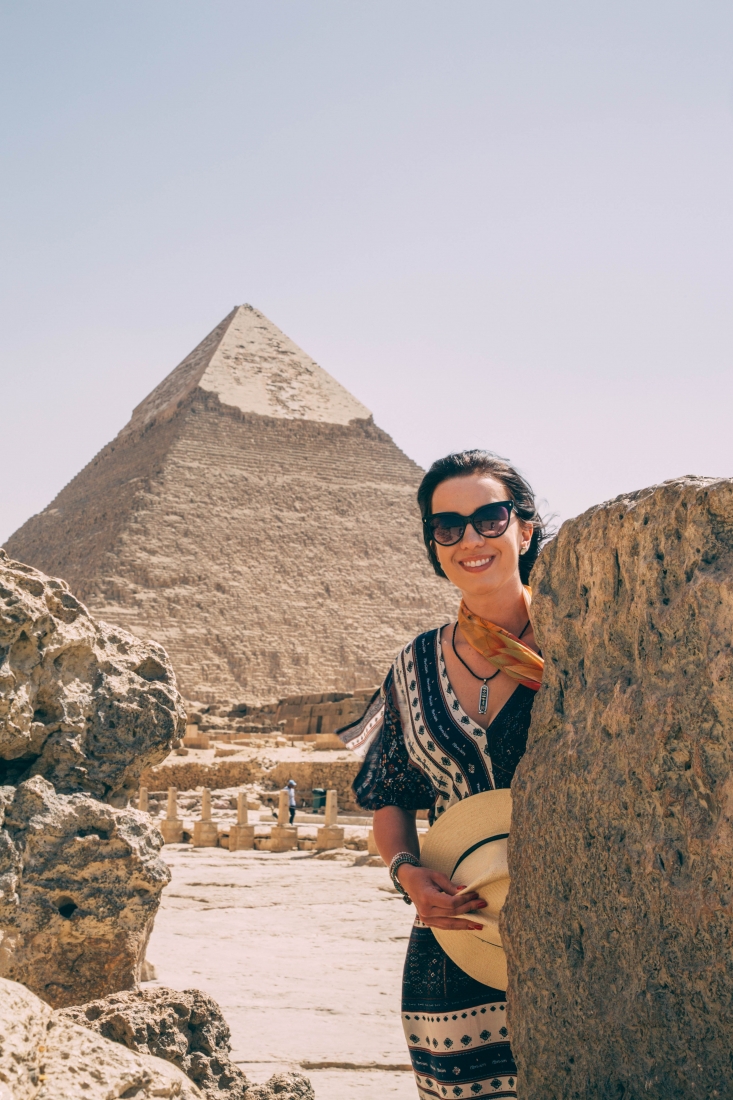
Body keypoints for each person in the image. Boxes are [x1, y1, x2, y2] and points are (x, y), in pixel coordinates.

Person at [342, 450, 546, 1100]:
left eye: (490, 517)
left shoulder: (588, 642)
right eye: (446, 527)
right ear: (433, 545)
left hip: (581, 931)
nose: (470, 539)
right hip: (457, 944)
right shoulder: (412, 667)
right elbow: (387, 796)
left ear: (524, 528)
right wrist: (405, 872)